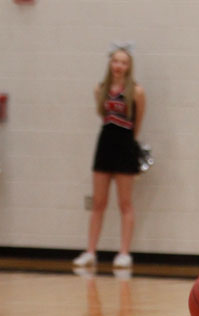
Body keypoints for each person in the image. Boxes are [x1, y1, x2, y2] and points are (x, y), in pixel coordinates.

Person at [73, 43, 146, 272]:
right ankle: (90, 252)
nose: (118, 66)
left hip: (125, 145)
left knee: (125, 203)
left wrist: (130, 146)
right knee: (98, 203)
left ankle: (124, 254)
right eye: (115, 61)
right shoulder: (100, 89)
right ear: (110, 63)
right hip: (104, 144)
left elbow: (138, 122)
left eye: (123, 62)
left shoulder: (137, 91)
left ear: (129, 66)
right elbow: (102, 114)